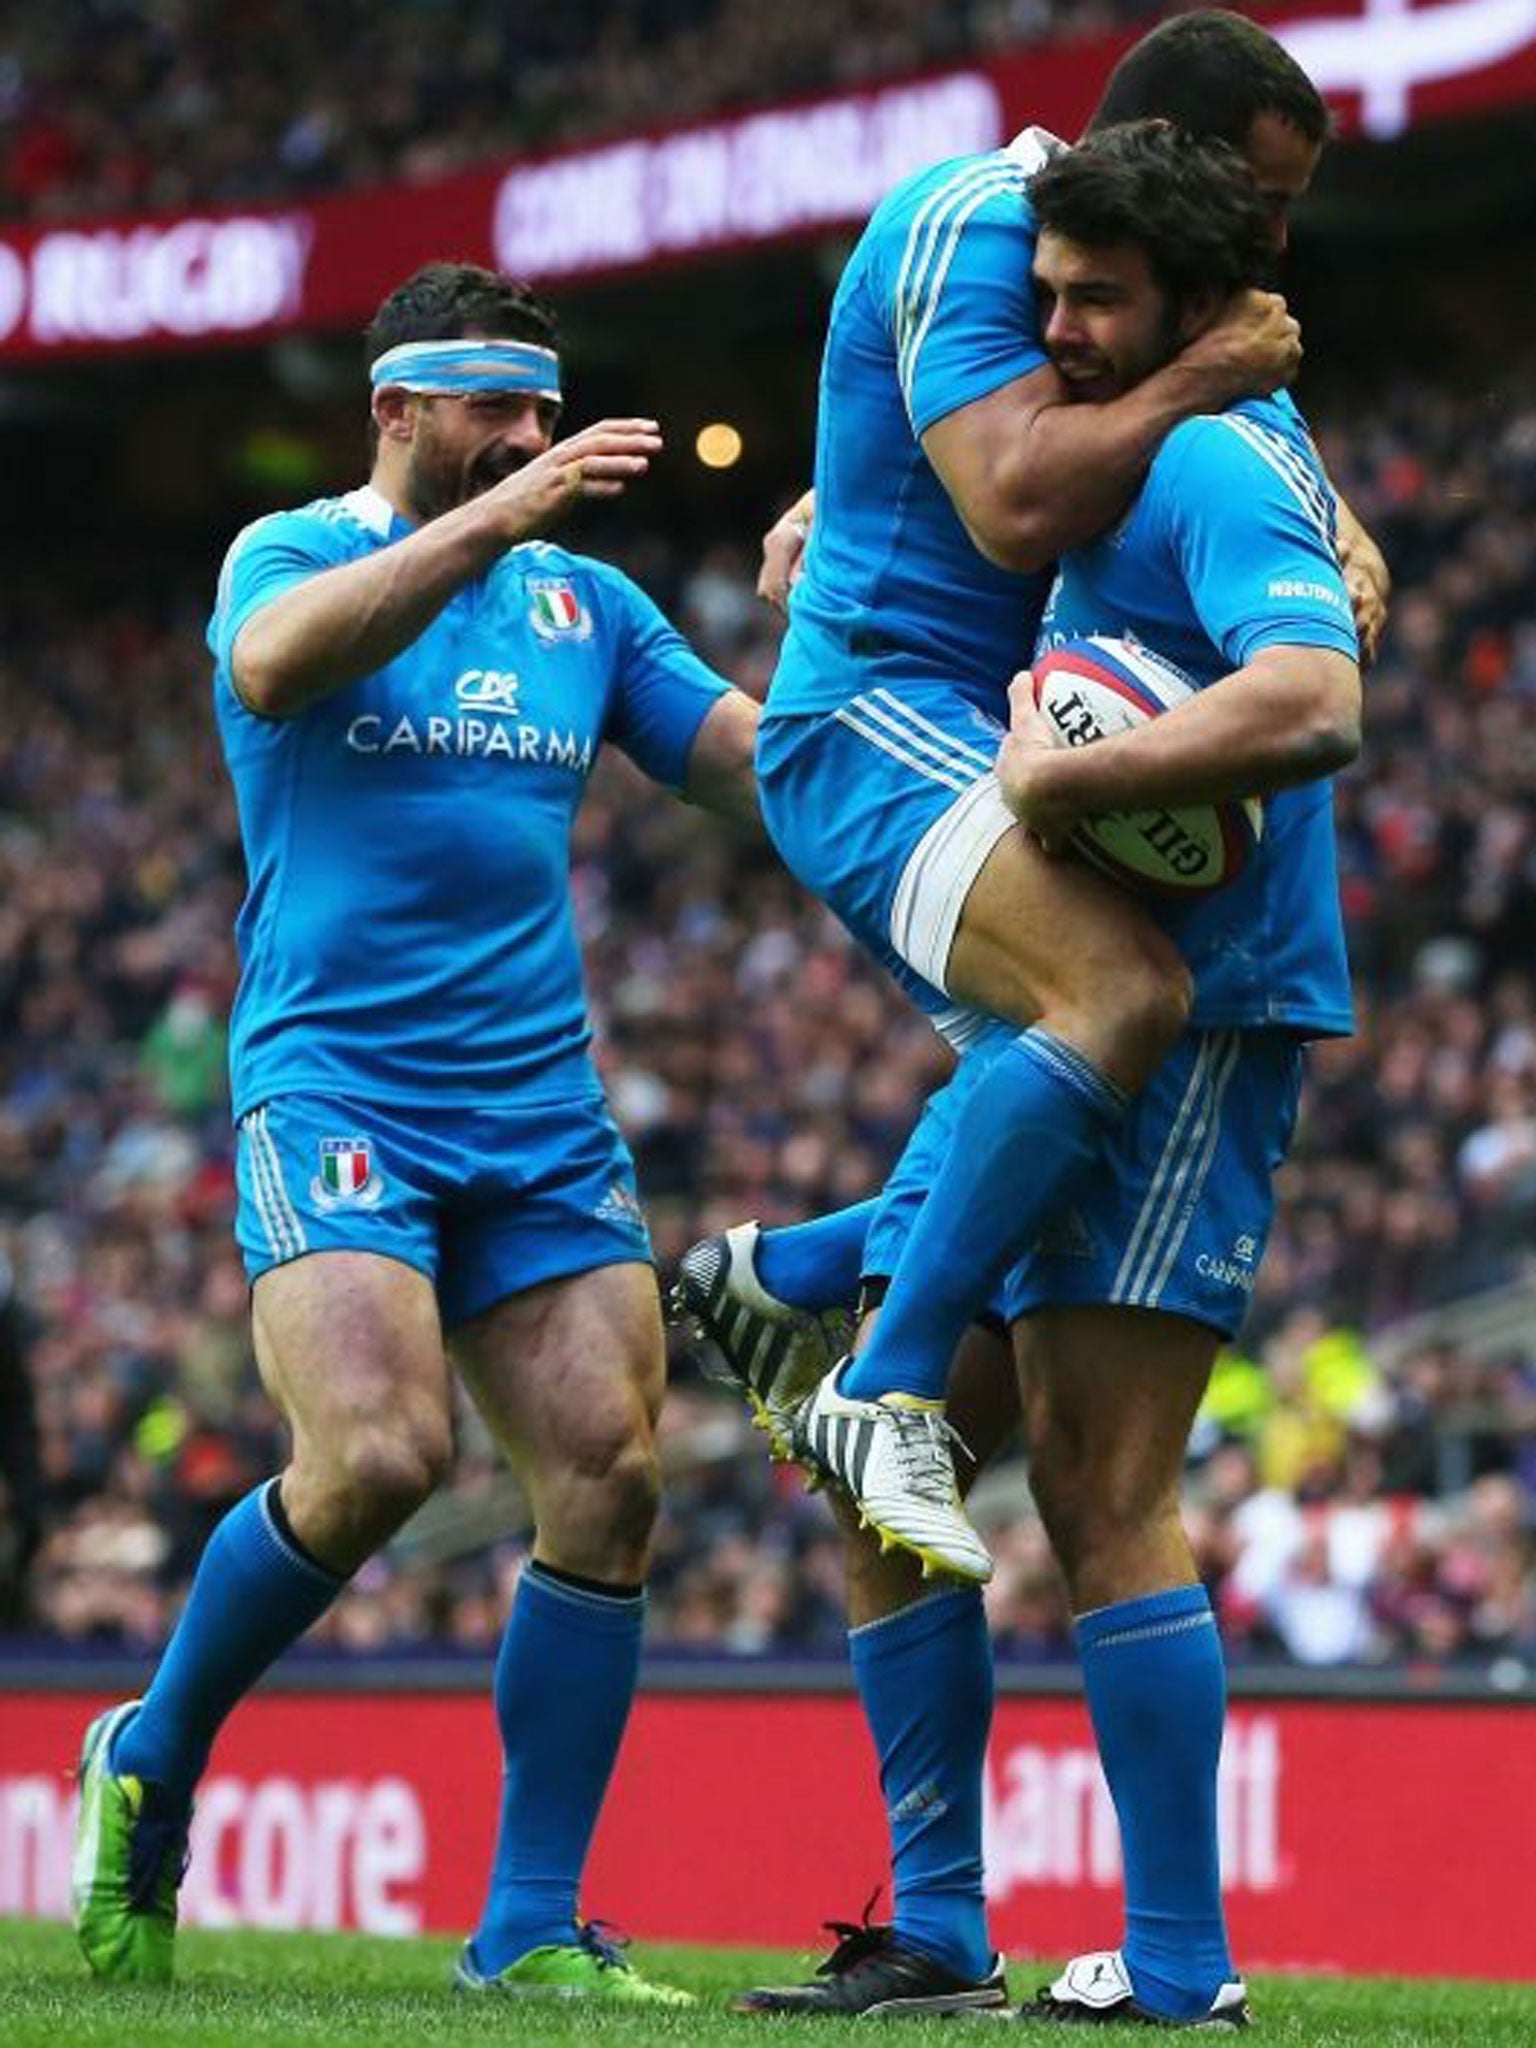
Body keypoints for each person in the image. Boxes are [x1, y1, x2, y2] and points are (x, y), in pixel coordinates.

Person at [729, 122, 1364, 2026]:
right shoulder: (1115, 445)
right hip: (1106, 1015)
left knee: (1100, 1485)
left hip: (1207, 1010)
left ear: (1198, 293)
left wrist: (1067, 778)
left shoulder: (1219, 449)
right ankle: (935, 1926)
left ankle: (1179, 1966)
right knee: (902, 1505)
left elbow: (1318, 690)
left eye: (1094, 300)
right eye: (1047, 298)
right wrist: (829, 528)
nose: (1057, 330)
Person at [70, 261, 758, 2003]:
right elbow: (281, 665)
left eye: (543, 410)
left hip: (535, 1104)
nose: (532, 440)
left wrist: (823, 627)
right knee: (378, 1459)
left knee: (609, 1473)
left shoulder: (585, 610)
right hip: (339, 1084)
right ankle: (152, 1754)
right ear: (398, 409)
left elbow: (749, 763)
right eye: (495, 412)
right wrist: (502, 517)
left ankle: (526, 1927)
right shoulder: (289, 555)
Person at [678, 14, 1385, 1585]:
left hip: (974, 734)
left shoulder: (1146, 324)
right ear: (1169, 153)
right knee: (1120, 990)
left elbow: (1143, 471)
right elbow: (1008, 503)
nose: (1277, 244)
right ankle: (878, 1382)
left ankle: (792, 1277)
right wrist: (1208, 370)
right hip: (881, 722)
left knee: (1042, 1081)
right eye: (1259, 195)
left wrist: (1340, 527)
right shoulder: (969, 218)